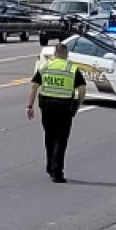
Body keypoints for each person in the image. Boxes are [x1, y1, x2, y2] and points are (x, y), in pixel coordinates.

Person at [26, 43, 86, 183]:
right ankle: (57, 172)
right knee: (61, 139)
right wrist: (78, 103)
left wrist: (29, 106)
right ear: (66, 54)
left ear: (55, 53)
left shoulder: (45, 66)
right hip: (64, 108)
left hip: (47, 107)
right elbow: (82, 89)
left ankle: (49, 166)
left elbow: (34, 87)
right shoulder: (71, 68)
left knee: (49, 137)